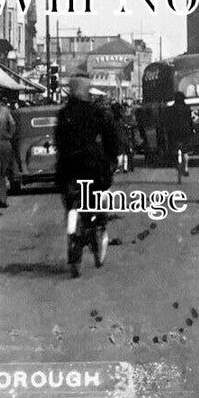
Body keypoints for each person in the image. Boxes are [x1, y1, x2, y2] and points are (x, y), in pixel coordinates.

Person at [54, 76, 119, 276]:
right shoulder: (94, 111)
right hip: (91, 165)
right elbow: (110, 137)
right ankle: (98, 222)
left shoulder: (64, 113)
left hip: (68, 166)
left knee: (70, 198)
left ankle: (74, 226)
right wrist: (111, 158)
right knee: (98, 193)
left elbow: (58, 140)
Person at [162, 91, 194, 176]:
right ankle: (186, 167)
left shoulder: (170, 109)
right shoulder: (187, 108)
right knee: (186, 151)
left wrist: (166, 130)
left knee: (173, 147)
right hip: (185, 131)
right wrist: (192, 130)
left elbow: (166, 121)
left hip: (173, 132)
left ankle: (176, 162)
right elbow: (190, 121)